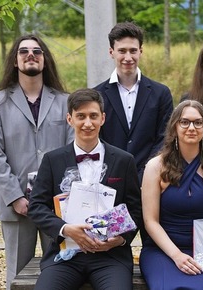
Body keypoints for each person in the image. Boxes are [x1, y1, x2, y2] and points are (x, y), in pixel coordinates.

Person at [0, 34, 74, 290]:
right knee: (16, 272)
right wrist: (15, 196)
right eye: (24, 51)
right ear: (15, 60)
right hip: (15, 204)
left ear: (45, 60)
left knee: (60, 268)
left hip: (55, 205)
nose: (30, 55)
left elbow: (71, 153)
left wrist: (58, 198)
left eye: (37, 51)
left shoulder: (65, 101)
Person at [28, 88, 142, 289]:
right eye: (80, 116)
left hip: (110, 257)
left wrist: (120, 240)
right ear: (69, 119)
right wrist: (65, 229)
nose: (87, 123)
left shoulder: (124, 161)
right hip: (65, 256)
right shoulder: (52, 160)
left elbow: (136, 210)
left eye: (93, 116)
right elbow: (36, 206)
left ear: (103, 118)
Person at [140, 100, 203, 290]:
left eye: (198, 122)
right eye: (184, 122)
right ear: (174, 127)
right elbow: (150, 221)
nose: (191, 127)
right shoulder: (155, 167)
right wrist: (176, 255)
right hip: (163, 251)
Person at [94, 22, 174, 182]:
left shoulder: (161, 93)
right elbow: (96, 138)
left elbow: (165, 138)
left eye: (133, 51)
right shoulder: (97, 94)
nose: (128, 57)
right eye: (122, 51)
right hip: (109, 180)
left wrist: (146, 173)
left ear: (141, 52)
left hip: (151, 178)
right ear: (111, 52)